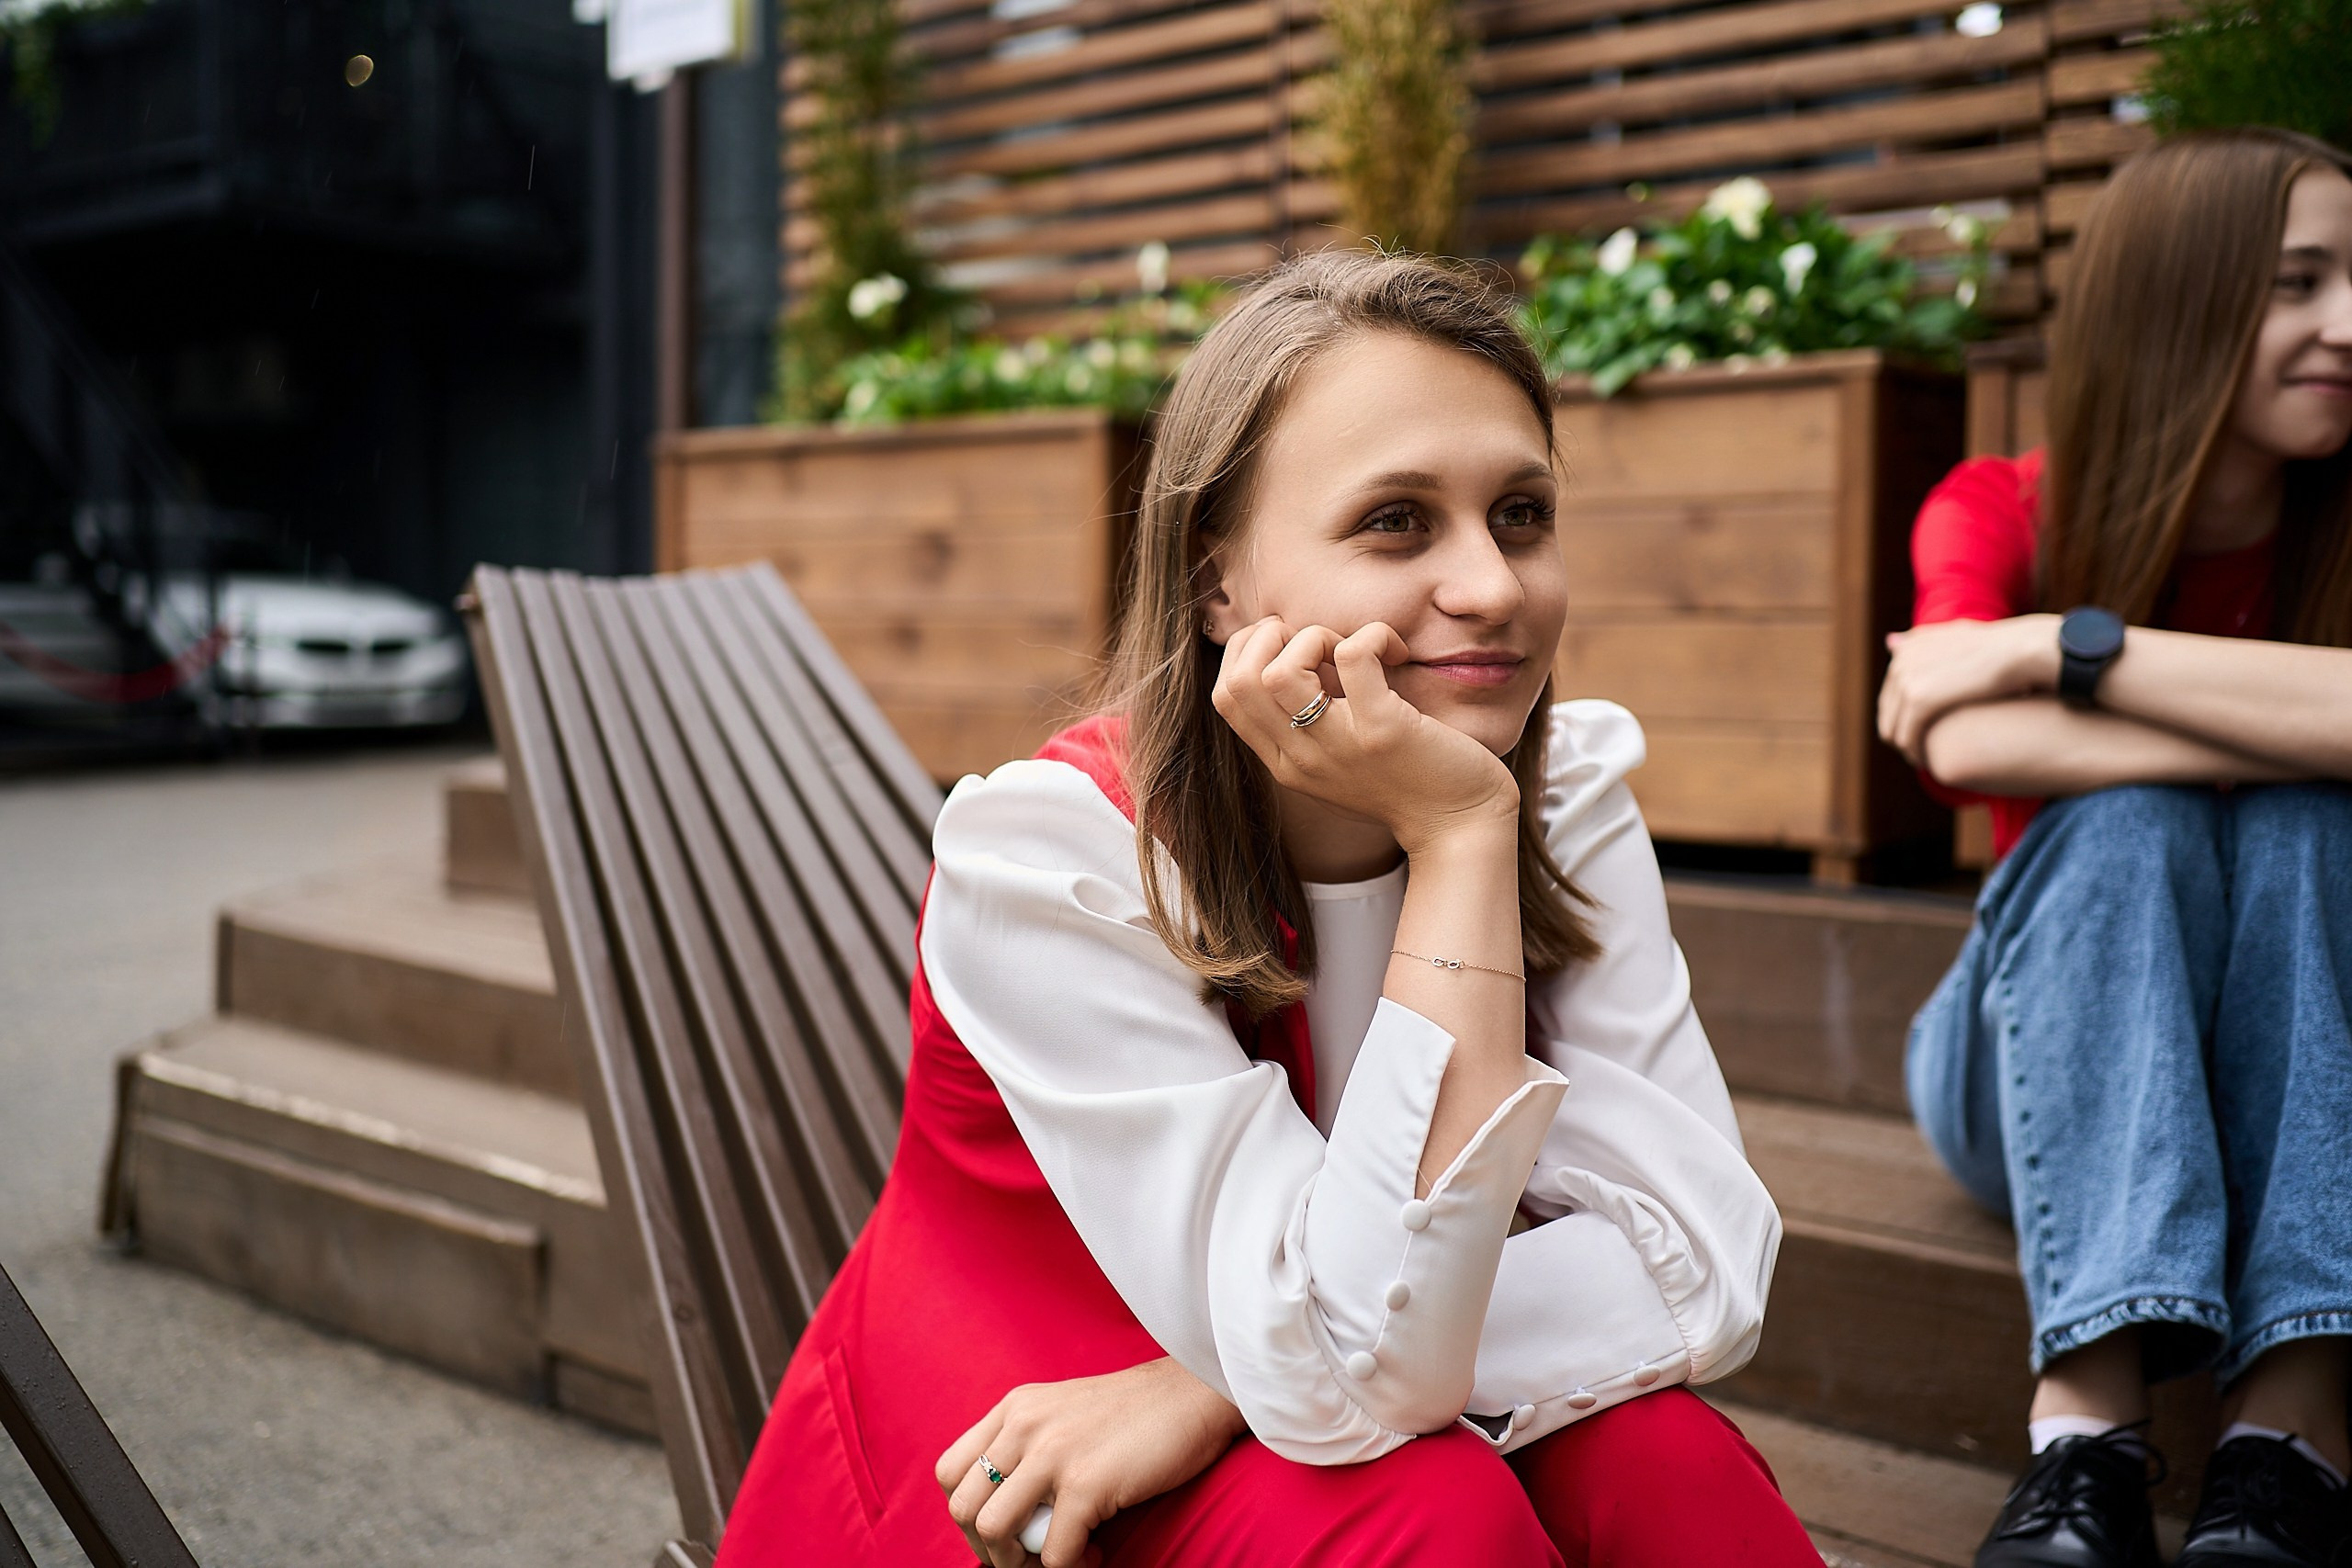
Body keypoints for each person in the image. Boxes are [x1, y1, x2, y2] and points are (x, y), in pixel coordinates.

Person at [710, 250, 1815, 1567]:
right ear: (1216, 581)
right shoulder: (1056, 859)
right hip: (1016, 1486)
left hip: (1241, 1416)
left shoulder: (1559, 792)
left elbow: (1707, 1258)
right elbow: (1385, 1363)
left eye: (1520, 514)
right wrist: (1459, 837)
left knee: (1658, 1459)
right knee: (1434, 1510)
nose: (1495, 587)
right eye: (1397, 522)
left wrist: (1218, 1383)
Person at [1881, 128, 2352, 1568]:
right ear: (2181, 298)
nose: (2349, 326)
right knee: (2153, 817)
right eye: (2298, 283)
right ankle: (2083, 1431)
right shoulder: (2005, 507)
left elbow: (1979, 696)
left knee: (2304, 827)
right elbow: (1955, 747)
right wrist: (2278, 724)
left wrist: (2061, 653)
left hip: (2301, 1066)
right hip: (2025, 1062)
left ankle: (2288, 1432)